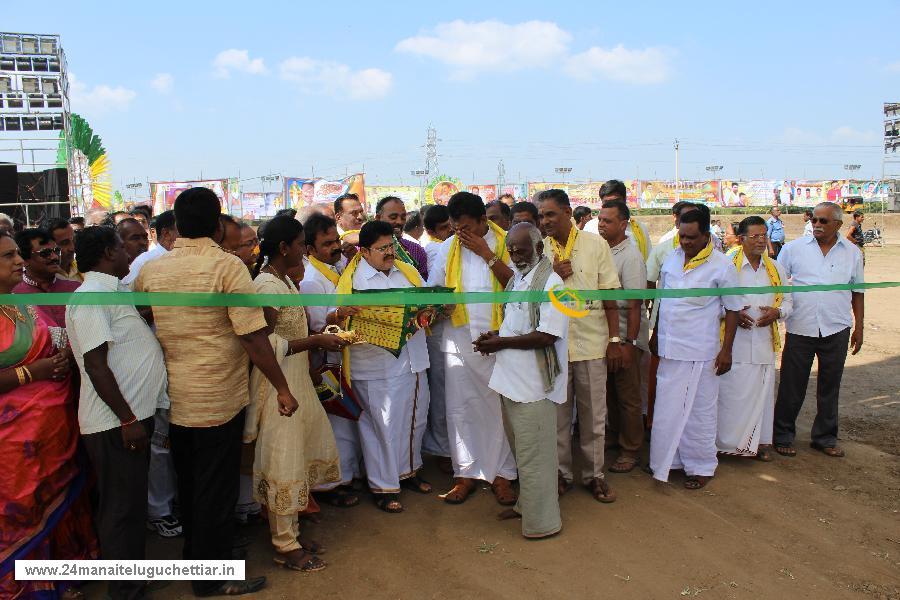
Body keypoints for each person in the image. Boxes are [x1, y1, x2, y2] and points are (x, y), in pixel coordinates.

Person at [134, 187, 299, 597]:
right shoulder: (226, 267)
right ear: (216, 224)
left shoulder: (154, 270)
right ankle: (211, 579)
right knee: (216, 488)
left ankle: (199, 559)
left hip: (177, 397)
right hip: (219, 399)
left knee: (190, 485)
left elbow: (142, 310)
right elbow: (254, 337)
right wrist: (282, 385)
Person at [66, 226, 167, 600]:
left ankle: (133, 579)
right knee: (121, 508)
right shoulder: (91, 297)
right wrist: (126, 419)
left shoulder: (111, 292)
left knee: (130, 504)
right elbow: (95, 366)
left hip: (128, 419)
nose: (130, 255)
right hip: (114, 422)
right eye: (124, 248)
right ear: (109, 253)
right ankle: (125, 589)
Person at [0, 232, 98, 600]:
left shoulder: (18, 304)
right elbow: (29, 364)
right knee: (19, 517)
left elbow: (46, 343)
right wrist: (35, 372)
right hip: (13, 443)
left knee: (56, 508)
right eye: (8, 256)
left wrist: (62, 358)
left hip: (50, 432)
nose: (18, 262)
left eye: (15, 254)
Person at [246, 216, 344, 572]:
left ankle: (293, 533)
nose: (305, 250)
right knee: (282, 460)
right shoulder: (266, 286)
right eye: (302, 244)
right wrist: (314, 341)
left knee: (295, 457)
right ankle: (284, 545)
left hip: (295, 377)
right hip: (278, 383)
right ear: (284, 248)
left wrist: (311, 351)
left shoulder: (284, 280)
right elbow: (263, 343)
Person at [474, 222, 567, 539]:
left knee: (535, 457)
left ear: (540, 248)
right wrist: (496, 337)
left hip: (534, 386)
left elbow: (546, 336)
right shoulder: (518, 280)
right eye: (510, 248)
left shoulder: (553, 284)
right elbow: (516, 326)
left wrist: (501, 343)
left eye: (521, 248)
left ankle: (543, 524)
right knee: (522, 451)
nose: (514, 253)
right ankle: (527, 507)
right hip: (510, 380)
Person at [428, 191, 517, 506]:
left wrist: (485, 253)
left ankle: (502, 474)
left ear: (483, 221)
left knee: (498, 409)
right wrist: (436, 305)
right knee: (460, 407)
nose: (460, 234)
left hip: (502, 340)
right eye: (455, 227)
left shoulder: (509, 242)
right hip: (459, 339)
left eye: (466, 227)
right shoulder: (447, 248)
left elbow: (520, 289)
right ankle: (464, 472)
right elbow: (436, 290)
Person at [336, 220, 432, 512]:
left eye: (392, 246)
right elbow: (338, 320)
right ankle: (382, 485)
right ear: (364, 251)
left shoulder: (407, 271)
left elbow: (426, 301)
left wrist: (430, 311)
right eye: (382, 248)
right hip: (376, 366)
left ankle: (409, 471)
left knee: (414, 419)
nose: (390, 253)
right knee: (382, 426)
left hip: (413, 360)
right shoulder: (354, 281)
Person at [537, 189, 621, 502]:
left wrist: (614, 340)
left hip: (592, 344)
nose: (545, 221)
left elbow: (611, 294)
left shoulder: (595, 244)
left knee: (594, 417)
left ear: (568, 213)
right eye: (541, 215)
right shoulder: (539, 249)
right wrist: (551, 275)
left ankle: (595, 475)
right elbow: (528, 297)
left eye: (550, 214)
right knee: (557, 418)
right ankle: (561, 475)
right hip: (553, 345)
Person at [649, 208, 741, 489]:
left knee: (699, 411)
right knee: (667, 409)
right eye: (682, 235)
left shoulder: (722, 265)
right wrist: (655, 335)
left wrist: (727, 351)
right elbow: (663, 299)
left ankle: (700, 466)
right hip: (669, 347)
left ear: (706, 235)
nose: (686, 242)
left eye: (692, 237)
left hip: (701, 351)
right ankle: (667, 462)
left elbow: (734, 310)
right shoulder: (671, 258)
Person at [773, 202, 864, 459]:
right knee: (792, 384)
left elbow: (858, 292)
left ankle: (824, 438)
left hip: (837, 328)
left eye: (824, 221)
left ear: (838, 224)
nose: (817, 225)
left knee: (830, 385)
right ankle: (782, 434)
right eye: (814, 220)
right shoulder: (793, 249)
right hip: (801, 327)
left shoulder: (852, 253)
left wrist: (859, 327)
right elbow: (777, 282)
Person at [119, 210, 181, 538]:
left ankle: (169, 502)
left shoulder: (168, 261)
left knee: (172, 436)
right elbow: (128, 317)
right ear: (170, 234)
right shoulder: (145, 265)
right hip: (153, 362)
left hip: (175, 361)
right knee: (160, 440)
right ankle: (159, 508)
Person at [298, 214, 363, 508]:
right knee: (334, 424)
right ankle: (330, 485)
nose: (335, 247)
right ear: (309, 249)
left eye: (335, 240)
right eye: (327, 244)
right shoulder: (311, 279)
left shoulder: (335, 268)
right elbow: (315, 324)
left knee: (344, 422)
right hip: (325, 359)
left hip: (341, 355)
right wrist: (341, 315)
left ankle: (345, 477)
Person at [716, 217, 793, 462]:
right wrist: (733, 314)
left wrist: (777, 312)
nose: (761, 241)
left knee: (762, 395)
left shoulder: (775, 268)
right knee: (729, 395)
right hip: (733, 344)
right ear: (741, 239)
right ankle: (725, 445)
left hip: (762, 343)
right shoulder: (726, 264)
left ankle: (758, 443)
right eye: (755, 236)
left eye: (764, 236)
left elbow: (789, 301)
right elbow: (713, 301)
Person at [596, 200, 650, 473]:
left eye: (607, 221)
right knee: (610, 393)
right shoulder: (603, 250)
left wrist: (628, 344)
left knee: (628, 395)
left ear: (623, 224)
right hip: (607, 336)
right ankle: (616, 438)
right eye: (600, 219)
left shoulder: (630, 256)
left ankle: (631, 449)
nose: (601, 224)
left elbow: (634, 304)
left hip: (626, 336)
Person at [420, 204, 454, 473]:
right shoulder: (437, 248)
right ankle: (444, 449)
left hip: (451, 329)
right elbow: (435, 291)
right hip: (439, 328)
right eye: (445, 227)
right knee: (443, 392)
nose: (452, 230)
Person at [13, 228, 80, 327]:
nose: (55, 257)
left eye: (56, 251)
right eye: (45, 253)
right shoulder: (14, 295)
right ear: (24, 259)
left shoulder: (76, 290)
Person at [586, 180, 652, 261]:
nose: (611, 207)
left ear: (624, 201)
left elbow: (648, 260)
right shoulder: (590, 227)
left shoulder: (640, 229)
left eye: (615, 202)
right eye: (607, 203)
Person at [375, 196, 428, 281]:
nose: (399, 222)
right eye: (393, 217)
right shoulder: (363, 252)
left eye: (403, 218)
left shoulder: (416, 250)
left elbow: (423, 287)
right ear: (378, 218)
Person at [48, 218, 81, 282]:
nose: (72, 248)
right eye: (64, 243)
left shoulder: (83, 269)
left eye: (73, 240)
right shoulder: (45, 280)